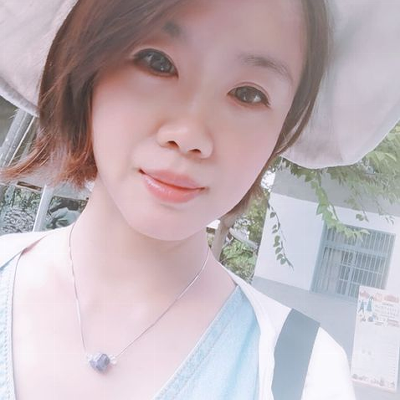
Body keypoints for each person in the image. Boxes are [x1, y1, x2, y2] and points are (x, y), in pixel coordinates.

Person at [0, 0, 399, 399]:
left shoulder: (303, 373)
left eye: (248, 94)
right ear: (87, 66)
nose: (190, 135)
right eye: (157, 62)